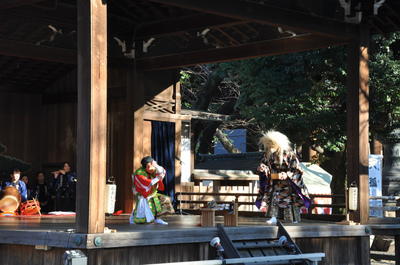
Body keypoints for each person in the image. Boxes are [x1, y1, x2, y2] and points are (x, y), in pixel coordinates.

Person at [255, 130, 311, 224]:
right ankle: (273, 217)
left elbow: (296, 168)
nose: (270, 147)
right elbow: (265, 164)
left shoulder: (288, 152)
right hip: (275, 181)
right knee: (274, 198)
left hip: (289, 183)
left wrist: (287, 174)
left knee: (290, 199)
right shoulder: (268, 153)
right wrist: (262, 168)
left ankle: (294, 218)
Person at [130, 156, 175, 225]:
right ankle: (133, 217)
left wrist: (156, 166)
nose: (153, 168)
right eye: (151, 165)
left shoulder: (152, 169)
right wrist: (157, 178)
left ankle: (158, 218)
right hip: (144, 196)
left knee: (165, 199)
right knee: (146, 213)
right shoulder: (139, 174)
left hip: (153, 194)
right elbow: (145, 184)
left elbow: (161, 171)